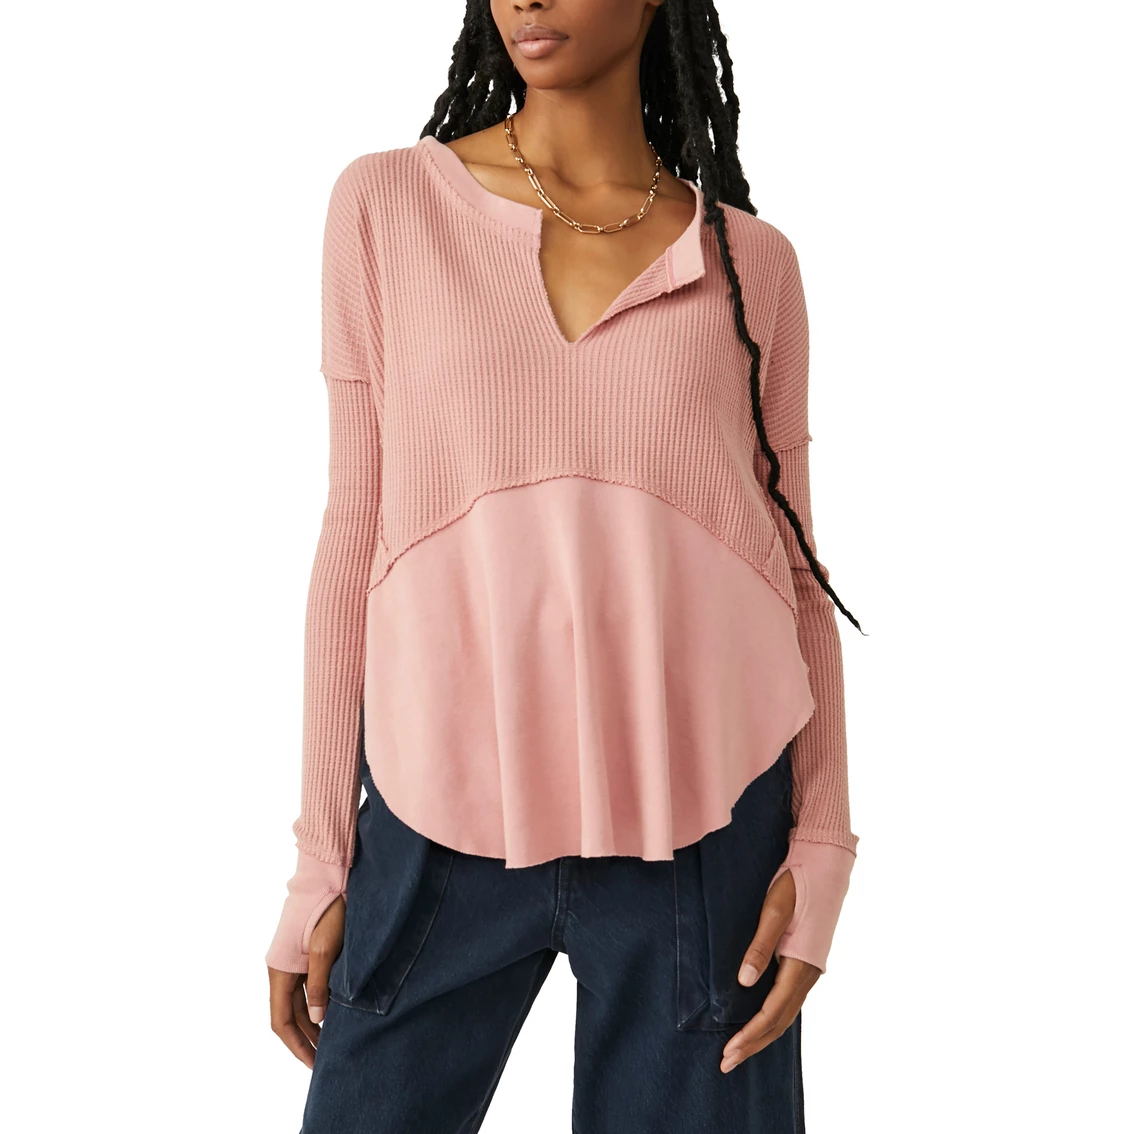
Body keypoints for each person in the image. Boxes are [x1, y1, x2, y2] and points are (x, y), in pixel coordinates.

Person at [266, 1, 863, 1129]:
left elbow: (795, 572)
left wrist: (823, 841)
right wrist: (323, 858)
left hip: (705, 819)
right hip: (436, 804)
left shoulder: (753, 264)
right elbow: (353, 537)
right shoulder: (386, 208)